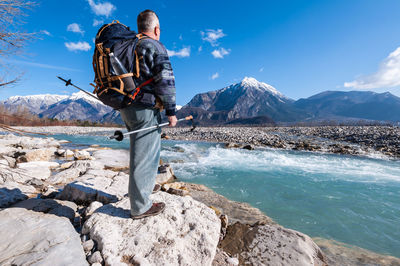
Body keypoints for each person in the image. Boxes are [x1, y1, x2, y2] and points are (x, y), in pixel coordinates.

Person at [119, 9, 177, 219]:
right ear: (156, 28)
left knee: (139, 150)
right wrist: (171, 111)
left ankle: (142, 190)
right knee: (146, 155)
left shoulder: (129, 45)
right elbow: (165, 80)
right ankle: (141, 207)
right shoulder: (154, 45)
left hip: (125, 107)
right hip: (144, 107)